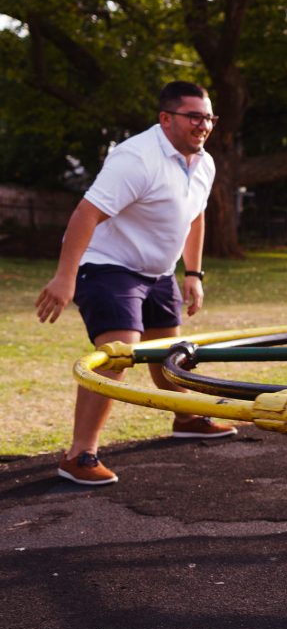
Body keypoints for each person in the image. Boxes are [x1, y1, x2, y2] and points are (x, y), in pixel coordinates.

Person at [35, 81, 236, 486]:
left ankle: (186, 418)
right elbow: (86, 214)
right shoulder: (136, 158)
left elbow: (194, 217)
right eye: (194, 116)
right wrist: (64, 277)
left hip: (157, 273)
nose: (204, 125)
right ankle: (79, 454)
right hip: (108, 265)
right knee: (118, 353)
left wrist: (193, 274)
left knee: (167, 354)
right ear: (166, 118)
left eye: (209, 117)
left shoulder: (203, 162)